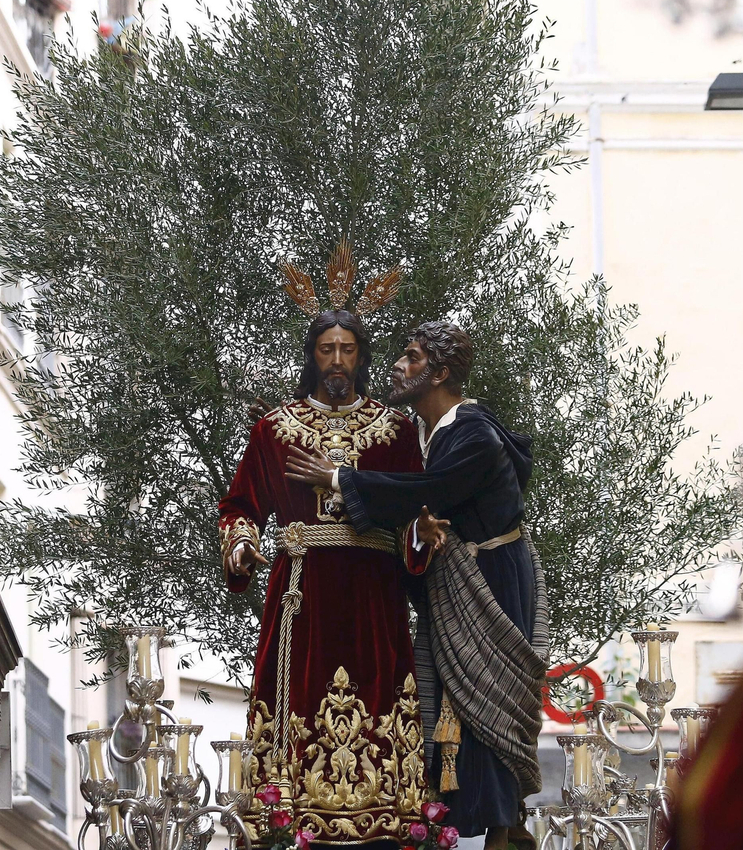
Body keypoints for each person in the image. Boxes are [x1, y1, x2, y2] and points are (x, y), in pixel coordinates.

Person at [286, 321, 547, 850]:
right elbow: (423, 504)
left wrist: (338, 478)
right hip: (451, 575)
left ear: (440, 372)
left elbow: (432, 489)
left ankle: (504, 826)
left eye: (411, 357)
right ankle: (451, 818)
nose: (398, 367)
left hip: (488, 578)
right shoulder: (425, 433)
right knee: (450, 699)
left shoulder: (473, 432)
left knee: (485, 696)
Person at [218, 251, 426, 846]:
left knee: (379, 698)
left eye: (348, 350)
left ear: (361, 356)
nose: (337, 360)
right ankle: (283, 813)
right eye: (326, 349)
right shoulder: (275, 429)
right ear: (311, 355)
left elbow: (414, 507)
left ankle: (387, 812)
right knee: (296, 713)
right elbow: (240, 506)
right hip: (301, 594)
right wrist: (241, 544)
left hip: (372, 596)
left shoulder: (393, 429)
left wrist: (420, 537)